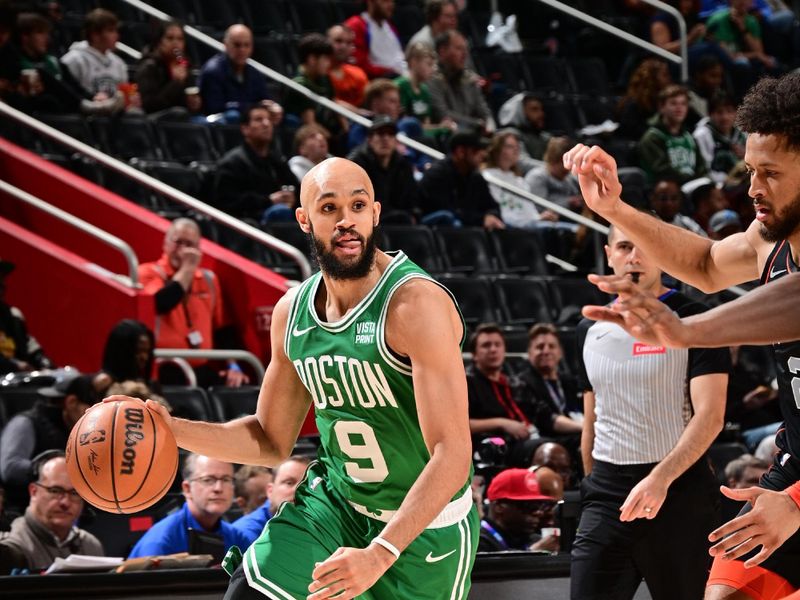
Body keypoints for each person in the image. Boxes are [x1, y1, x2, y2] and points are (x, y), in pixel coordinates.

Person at [114, 156, 478, 599]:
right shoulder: (292, 313)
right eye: (329, 209)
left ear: (376, 213)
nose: (346, 221)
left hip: (423, 530)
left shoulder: (413, 305)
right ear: (304, 220)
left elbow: (453, 453)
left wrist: (380, 552)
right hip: (334, 508)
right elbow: (270, 440)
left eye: (358, 206)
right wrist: (173, 431)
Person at [564, 71, 800, 599]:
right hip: (792, 470)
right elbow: (704, 262)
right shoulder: (770, 236)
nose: (753, 189)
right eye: (748, 171)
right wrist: (614, 209)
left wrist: (685, 329)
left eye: (770, 173)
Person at [571, 222, 729, 600]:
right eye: (624, 247)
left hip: (680, 494)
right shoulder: (589, 326)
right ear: (609, 255)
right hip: (609, 496)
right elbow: (591, 418)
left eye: (643, 247)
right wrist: (592, 482)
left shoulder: (696, 319)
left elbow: (711, 417)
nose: (634, 257)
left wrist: (661, 479)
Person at [137, 218, 248, 388]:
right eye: (178, 242)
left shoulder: (208, 280)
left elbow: (222, 329)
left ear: (197, 249)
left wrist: (233, 365)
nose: (182, 249)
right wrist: (188, 268)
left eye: (189, 244)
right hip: (163, 367)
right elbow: (161, 303)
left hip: (201, 367)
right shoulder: (147, 272)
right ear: (165, 244)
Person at [0, 374, 99, 511]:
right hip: (21, 514)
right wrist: (59, 471)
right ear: (71, 402)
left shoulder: (76, 430)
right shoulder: (26, 423)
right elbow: (10, 468)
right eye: (89, 409)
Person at [128, 453, 250, 559]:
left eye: (226, 479)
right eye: (208, 480)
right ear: (187, 489)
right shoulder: (160, 542)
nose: (218, 488)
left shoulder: (238, 538)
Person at [0, 452, 103, 574]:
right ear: (33, 491)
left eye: (74, 493)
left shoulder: (91, 545)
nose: (65, 502)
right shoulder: (10, 548)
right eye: (55, 491)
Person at [466, 323, 541, 468]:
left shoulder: (514, 382)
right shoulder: (466, 382)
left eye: (497, 345)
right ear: (474, 355)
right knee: (547, 449)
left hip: (529, 437)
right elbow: (459, 425)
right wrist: (502, 423)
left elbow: (542, 414)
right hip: (496, 444)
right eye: (486, 345)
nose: (493, 349)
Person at [212, 104, 300, 223]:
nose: (266, 124)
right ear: (245, 128)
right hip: (250, 224)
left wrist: (291, 199)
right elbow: (227, 202)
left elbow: (296, 189)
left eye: (269, 120)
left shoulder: (277, 160)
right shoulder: (232, 163)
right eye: (259, 119)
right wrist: (268, 201)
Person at [418, 129, 505, 229]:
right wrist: (481, 219)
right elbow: (447, 211)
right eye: (476, 150)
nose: (483, 154)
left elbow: (492, 206)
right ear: (460, 152)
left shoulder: (475, 177)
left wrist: (492, 216)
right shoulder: (437, 175)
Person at [347, 115, 419, 224]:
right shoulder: (356, 164)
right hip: (366, 220)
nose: (385, 138)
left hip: (399, 220)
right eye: (380, 134)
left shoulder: (403, 165)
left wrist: (413, 214)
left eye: (390, 134)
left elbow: (412, 198)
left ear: (395, 141)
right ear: (370, 140)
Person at [515, 323, 583, 440]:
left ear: (560, 352)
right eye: (540, 347)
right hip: (546, 439)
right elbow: (546, 420)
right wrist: (588, 429)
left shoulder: (569, 381)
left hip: (578, 433)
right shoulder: (522, 383)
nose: (546, 351)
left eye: (551, 346)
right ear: (529, 353)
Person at [481, 130, 557, 228]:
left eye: (517, 147)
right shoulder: (487, 177)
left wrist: (540, 217)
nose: (516, 150)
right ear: (497, 150)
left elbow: (530, 212)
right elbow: (502, 213)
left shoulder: (519, 180)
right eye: (510, 147)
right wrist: (534, 220)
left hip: (529, 226)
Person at [60, 8, 130, 113]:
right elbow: (68, 95)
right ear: (95, 35)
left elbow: (123, 96)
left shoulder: (118, 62)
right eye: (111, 30)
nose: (116, 35)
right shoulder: (73, 59)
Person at [231, 456, 310, 548]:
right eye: (289, 482)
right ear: (270, 490)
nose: (298, 490)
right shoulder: (244, 533)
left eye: (306, 484)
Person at [638, 84, 708, 184]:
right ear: (661, 107)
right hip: (666, 190)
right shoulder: (652, 137)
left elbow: (701, 168)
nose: (679, 108)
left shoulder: (689, 137)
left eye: (683, 104)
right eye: (674, 103)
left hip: (691, 186)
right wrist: (692, 181)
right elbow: (661, 171)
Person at [477, 468, 559, 552]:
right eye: (529, 506)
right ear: (499, 507)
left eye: (539, 506)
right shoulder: (475, 542)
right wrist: (532, 553)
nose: (538, 513)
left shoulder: (534, 540)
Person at [198, 24, 269, 118]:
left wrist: (272, 108)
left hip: (248, 121)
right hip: (221, 125)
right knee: (233, 116)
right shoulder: (213, 71)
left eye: (246, 45)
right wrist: (251, 107)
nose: (242, 50)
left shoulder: (254, 73)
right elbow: (215, 107)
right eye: (237, 45)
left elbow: (264, 100)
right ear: (226, 45)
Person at [428, 30, 493, 132]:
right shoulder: (431, 78)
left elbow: (484, 113)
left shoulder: (470, 79)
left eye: (465, 49)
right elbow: (442, 115)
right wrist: (477, 124)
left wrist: (485, 125)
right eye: (459, 48)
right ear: (442, 51)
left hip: (473, 135)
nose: (465, 54)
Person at [283, 33, 343, 142]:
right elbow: (311, 124)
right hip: (309, 138)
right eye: (325, 59)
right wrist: (335, 139)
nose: (328, 64)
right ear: (312, 59)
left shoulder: (324, 78)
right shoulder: (299, 85)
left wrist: (347, 129)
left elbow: (334, 103)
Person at [135, 20, 201, 116]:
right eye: (170, 38)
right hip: (156, 119)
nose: (175, 43)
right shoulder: (149, 66)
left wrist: (194, 103)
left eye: (180, 39)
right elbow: (149, 105)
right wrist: (176, 83)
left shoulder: (184, 64)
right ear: (159, 42)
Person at [0, 258, 52, 375]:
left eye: (2, 278)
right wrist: (14, 364)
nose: (2, 284)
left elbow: (30, 345)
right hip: (6, 377)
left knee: (74, 382)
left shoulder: (13, 315)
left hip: (16, 381)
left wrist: (43, 361)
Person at [693, 92, 746, 184]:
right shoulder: (701, 135)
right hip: (715, 183)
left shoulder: (743, 132)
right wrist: (725, 179)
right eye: (719, 112)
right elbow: (705, 170)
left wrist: (746, 155)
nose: (725, 117)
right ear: (709, 114)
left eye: (729, 111)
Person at [345, 0, 406, 80]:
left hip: (400, 77)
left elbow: (399, 58)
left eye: (392, 1)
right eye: (385, 1)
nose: (390, 4)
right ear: (370, 2)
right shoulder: (356, 25)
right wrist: (389, 72)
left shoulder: (390, 27)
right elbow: (358, 65)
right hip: (377, 82)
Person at [616, 58, 672, 141]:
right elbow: (630, 132)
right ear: (652, 78)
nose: (669, 79)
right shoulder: (633, 104)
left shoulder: (661, 100)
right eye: (664, 75)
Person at [524, 136, 583, 215]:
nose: (567, 168)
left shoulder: (569, 179)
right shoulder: (537, 177)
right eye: (563, 162)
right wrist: (568, 202)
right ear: (553, 160)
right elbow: (539, 208)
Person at [326, 24, 368, 109]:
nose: (343, 47)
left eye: (349, 43)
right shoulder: (318, 73)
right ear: (326, 42)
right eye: (338, 41)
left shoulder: (358, 73)